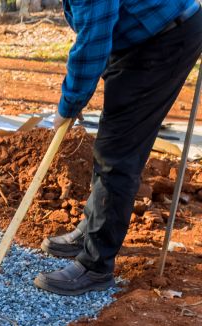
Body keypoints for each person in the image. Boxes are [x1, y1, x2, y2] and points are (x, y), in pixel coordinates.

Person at [34, 0, 202, 296]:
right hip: (140, 37)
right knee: (112, 142)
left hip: (163, 40)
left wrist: (69, 104)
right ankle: (91, 230)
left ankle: (95, 265)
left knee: (117, 151)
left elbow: (93, 39)